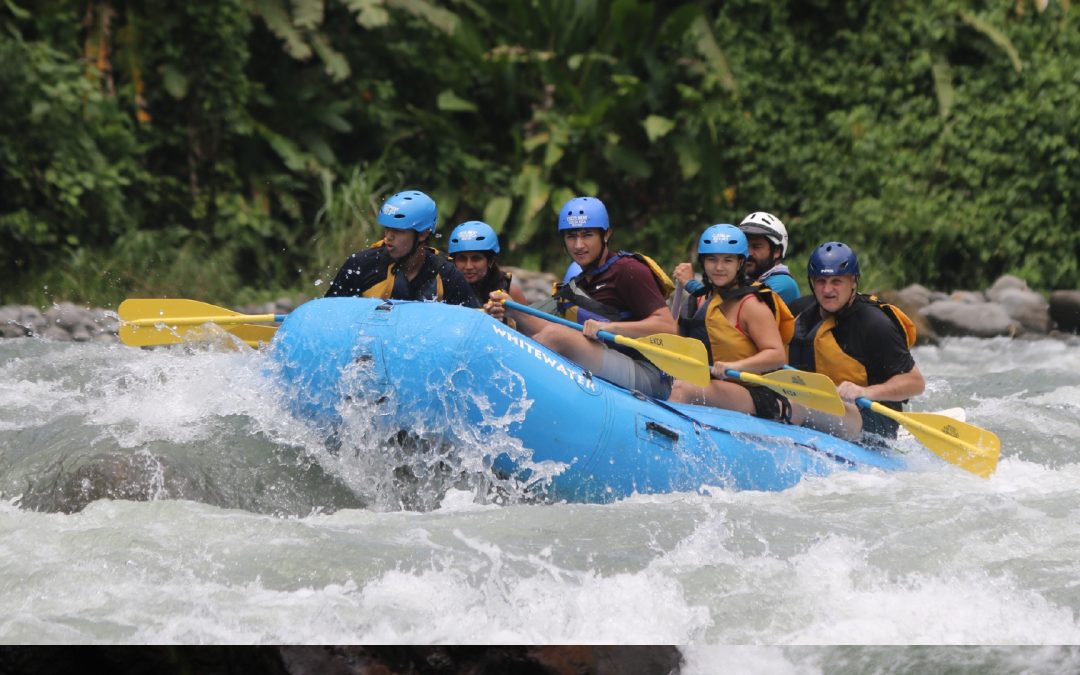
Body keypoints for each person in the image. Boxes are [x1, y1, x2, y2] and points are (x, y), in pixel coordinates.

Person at [485, 196, 676, 398]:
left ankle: (507, 393)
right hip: (608, 357)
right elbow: (550, 327)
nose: (578, 245)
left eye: (587, 235)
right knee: (539, 327)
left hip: (649, 376)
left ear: (606, 235)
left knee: (555, 336)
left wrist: (609, 328)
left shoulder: (629, 270)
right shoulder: (582, 280)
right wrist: (511, 309)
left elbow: (667, 326)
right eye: (571, 236)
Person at [788, 241, 925, 442]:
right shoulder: (799, 313)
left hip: (871, 419)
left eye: (837, 281)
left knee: (793, 405)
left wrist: (864, 392)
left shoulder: (874, 324)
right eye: (821, 281)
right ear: (811, 282)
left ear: (853, 281)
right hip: (817, 405)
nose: (827, 290)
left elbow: (915, 383)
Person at [667, 224, 793, 420]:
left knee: (682, 389)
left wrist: (736, 366)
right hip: (711, 383)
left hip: (753, 393)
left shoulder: (752, 305)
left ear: (740, 263)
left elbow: (776, 355)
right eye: (712, 260)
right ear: (703, 262)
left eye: (727, 260)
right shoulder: (698, 300)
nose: (718, 267)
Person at [323, 189, 478, 307]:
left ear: (423, 234)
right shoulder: (360, 265)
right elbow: (330, 315)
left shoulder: (446, 274)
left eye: (398, 231)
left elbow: (472, 322)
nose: (388, 237)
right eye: (387, 229)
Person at [447, 221, 527, 307]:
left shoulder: (511, 292)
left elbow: (528, 319)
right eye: (462, 259)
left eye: (476, 259)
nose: (468, 266)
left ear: (491, 261)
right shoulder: (444, 287)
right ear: (454, 260)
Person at [737, 211, 801, 307]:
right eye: (745, 246)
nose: (748, 253)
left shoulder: (783, 284)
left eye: (756, 246)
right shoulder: (751, 279)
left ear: (776, 251)